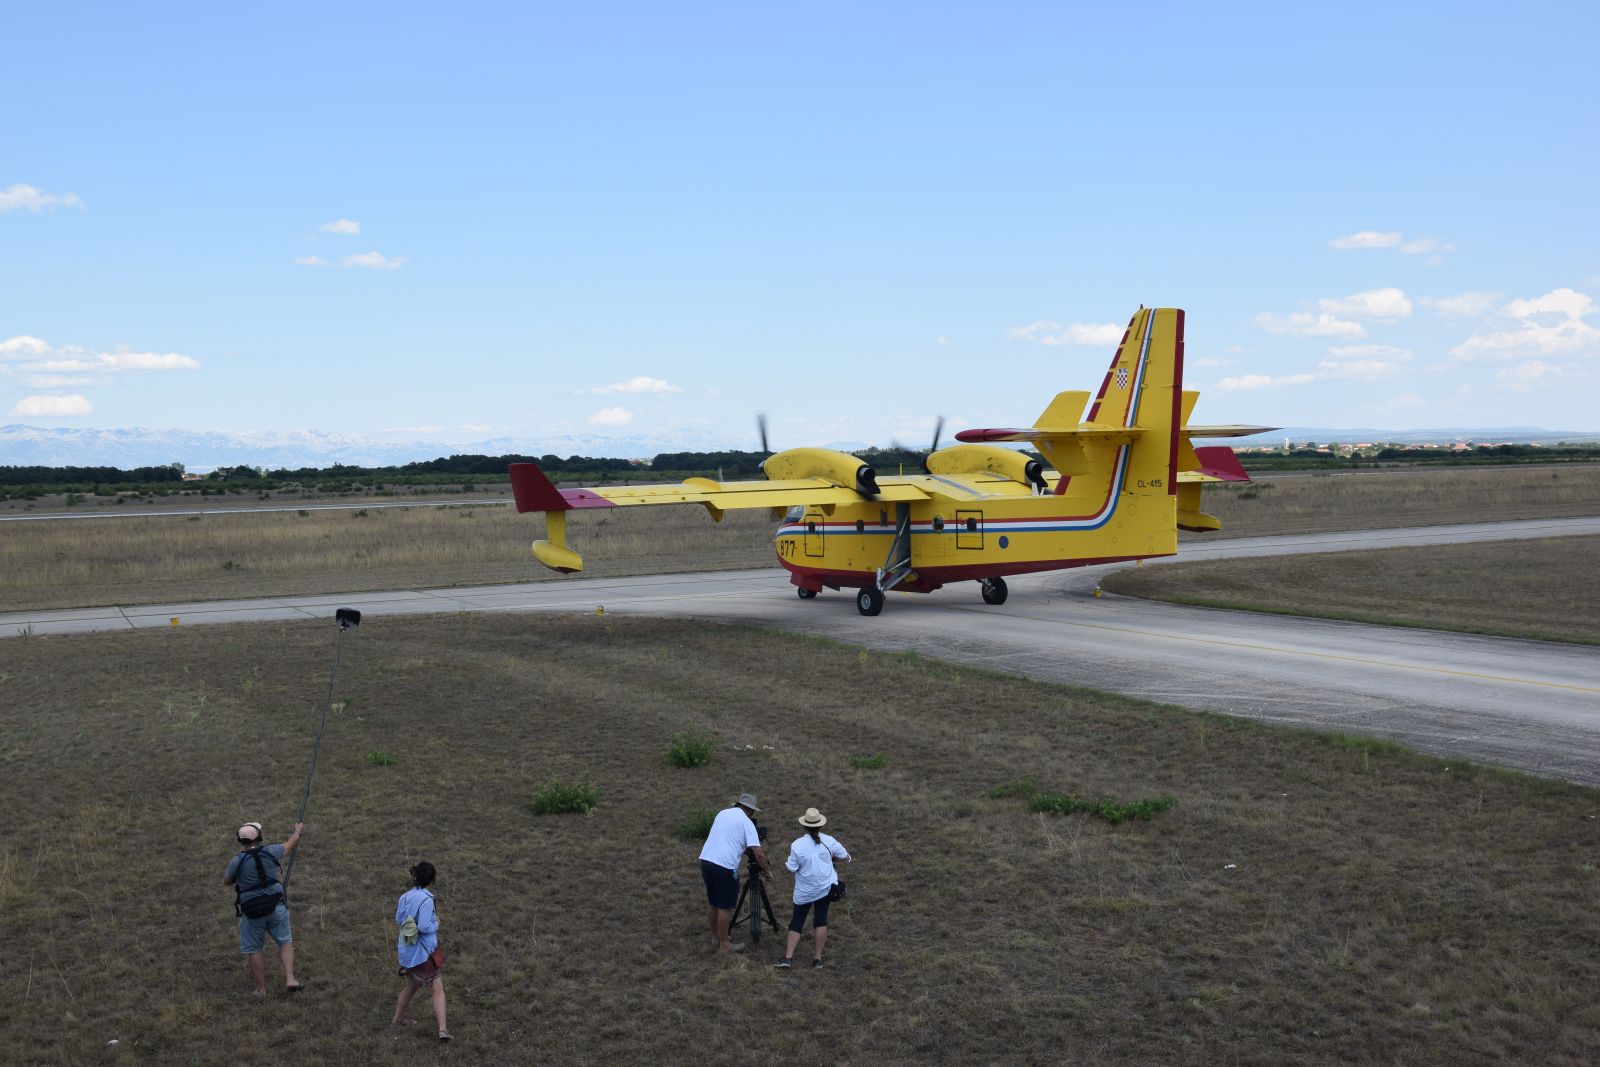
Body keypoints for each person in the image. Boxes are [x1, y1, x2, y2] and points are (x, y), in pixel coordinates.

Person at [223, 820, 304, 995]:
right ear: (259, 837)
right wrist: (298, 830)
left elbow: (227, 881)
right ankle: (290, 978)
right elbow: (290, 844)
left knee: (254, 948)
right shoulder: (271, 851)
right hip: (276, 905)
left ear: (240, 840)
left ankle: (261, 989)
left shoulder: (236, 861)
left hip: (251, 911)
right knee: (285, 941)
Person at [775, 807, 850, 970]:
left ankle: (788, 958)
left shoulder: (797, 845)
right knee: (821, 920)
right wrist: (831, 858)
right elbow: (846, 857)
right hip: (825, 889)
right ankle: (817, 959)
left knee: (797, 921)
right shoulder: (829, 841)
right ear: (820, 825)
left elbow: (791, 868)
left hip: (804, 892)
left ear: (804, 826)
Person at [698, 792, 773, 953]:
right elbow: (758, 853)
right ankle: (725, 945)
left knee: (713, 903)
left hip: (706, 860)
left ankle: (715, 937)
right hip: (724, 866)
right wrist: (768, 870)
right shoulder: (747, 823)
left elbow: (729, 837)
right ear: (751, 810)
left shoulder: (722, 813)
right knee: (724, 907)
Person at [392, 861, 450, 1041]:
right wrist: (436, 923)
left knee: (411, 986)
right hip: (423, 954)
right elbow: (425, 926)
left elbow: (399, 920)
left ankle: (396, 1021)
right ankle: (442, 1030)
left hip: (407, 952)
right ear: (432, 879)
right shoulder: (427, 899)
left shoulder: (405, 896)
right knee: (437, 987)